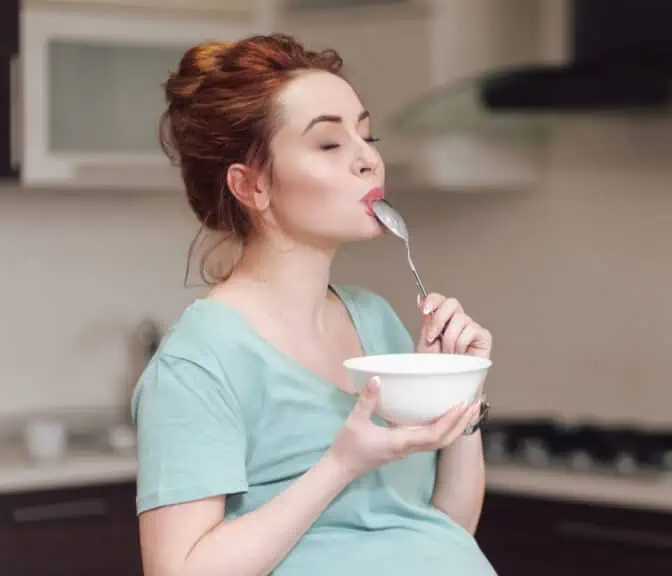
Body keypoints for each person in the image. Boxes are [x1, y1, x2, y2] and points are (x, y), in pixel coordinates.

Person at [132, 34, 496, 576]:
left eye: (367, 136)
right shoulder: (197, 364)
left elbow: (444, 527)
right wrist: (341, 464)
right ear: (252, 185)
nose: (369, 159)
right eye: (330, 144)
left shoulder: (375, 320)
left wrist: (459, 390)